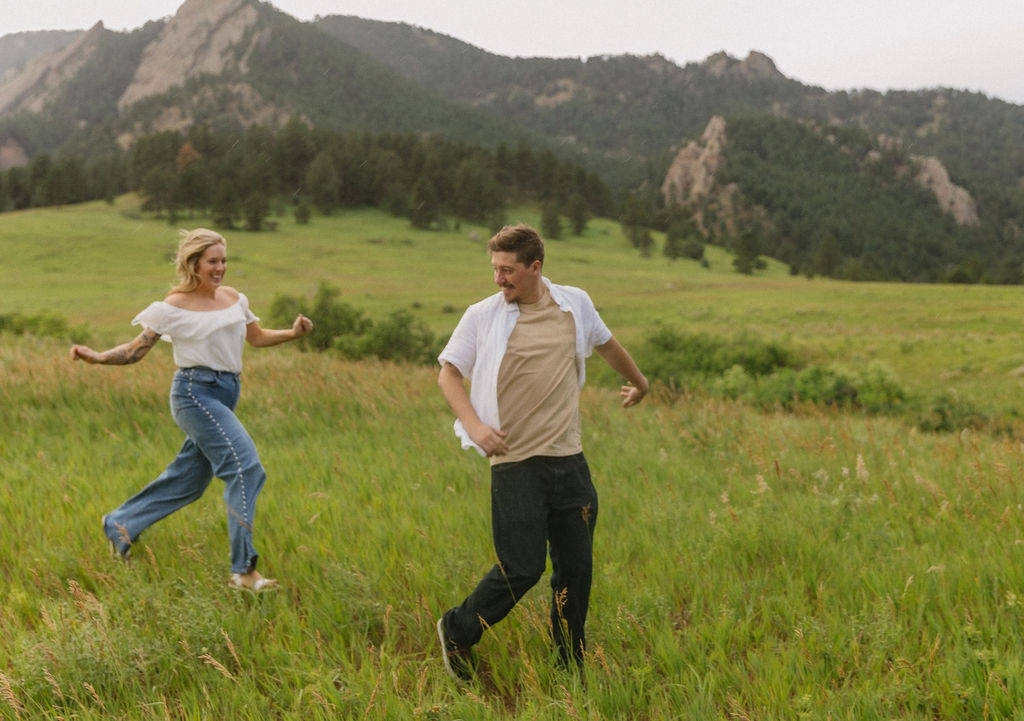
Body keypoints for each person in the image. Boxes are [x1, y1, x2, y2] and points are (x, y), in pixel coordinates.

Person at [435, 223, 648, 679]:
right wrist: (475, 427)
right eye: (494, 268)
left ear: (535, 268)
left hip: (569, 458)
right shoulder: (482, 315)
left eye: (508, 270)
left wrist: (641, 382)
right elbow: (449, 374)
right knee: (521, 568)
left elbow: (607, 345)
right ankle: (457, 629)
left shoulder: (575, 304)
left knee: (576, 569)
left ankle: (570, 661)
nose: (498, 279)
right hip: (514, 461)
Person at [70, 228, 313, 592]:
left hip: (227, 392)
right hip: (194, 394)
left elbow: (257, 337)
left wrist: (293, 334)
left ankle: (119, 524)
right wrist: (97, 358)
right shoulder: (173, 306)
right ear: (194, 264)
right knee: (246, 468)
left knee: (190, 480)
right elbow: (136, 350)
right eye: (212, 261)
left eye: (224, 260)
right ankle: (244, 572)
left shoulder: (233, 298)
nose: (220, 268)